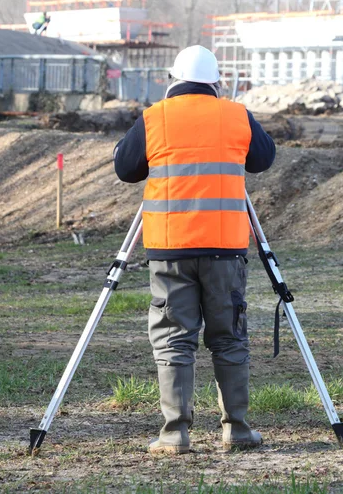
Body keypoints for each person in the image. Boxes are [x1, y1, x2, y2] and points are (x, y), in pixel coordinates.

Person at [113, 45, 276, 454]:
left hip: (170, 249)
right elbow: (262, 159)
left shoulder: (155, 118)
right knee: (229, 337)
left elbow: (125, 169)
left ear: (173, 79)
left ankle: (174, 433)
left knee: (173, 338)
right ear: (217, 81)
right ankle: (237, 429)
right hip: (225, 249)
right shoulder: (236, 115)